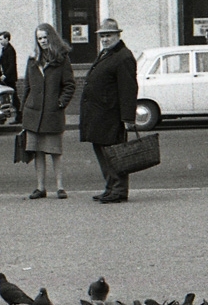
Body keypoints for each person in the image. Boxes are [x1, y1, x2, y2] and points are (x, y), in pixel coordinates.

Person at [78, 18, 138, 204]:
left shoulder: (123, 56)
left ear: (118, 36)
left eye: (108, 35)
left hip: (111, 115)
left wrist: (128, 117)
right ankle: (110, 187)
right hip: (100, 115)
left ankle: (119, 190)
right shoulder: (106, 54)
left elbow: (129, 89)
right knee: (103, 152)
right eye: (102, 36)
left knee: (115, 153)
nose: (105, 39)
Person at [21, 23, 76, 200]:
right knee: (37, 151)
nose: (43, 41)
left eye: (45, 37)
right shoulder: (32, 59)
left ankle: (60, 187)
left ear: (51, 37)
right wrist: (23, 109)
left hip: (52, 113)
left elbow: (69, 85)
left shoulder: (61, 58)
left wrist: (60, 103)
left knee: (55, 151)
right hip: (33, 114)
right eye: (39, 38)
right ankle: (40, 187)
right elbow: (27, 86)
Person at [0, 31, 22, 124]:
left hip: (9, 79)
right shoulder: (5, 49)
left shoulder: (10, 50)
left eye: (1, 39)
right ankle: (4, 117)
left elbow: (12, 65)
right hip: (5, 78)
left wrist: (5, 75)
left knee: (12, 98)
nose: (0, 41)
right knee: (7, 98)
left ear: (7, 39)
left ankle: (19, 116)